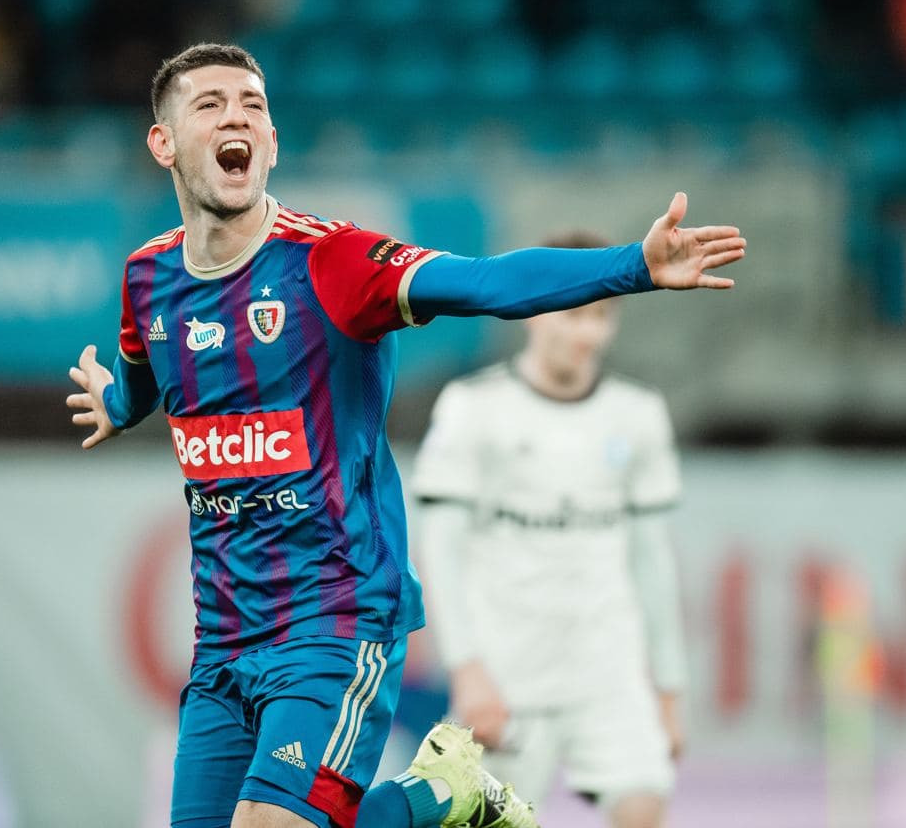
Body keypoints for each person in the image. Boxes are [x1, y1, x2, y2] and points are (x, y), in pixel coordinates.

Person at [65, 42, 745, 828]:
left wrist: (632, 265)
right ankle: (447, 793)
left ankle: (433, 797)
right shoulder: (148, 277)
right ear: (163, 142)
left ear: (272, 142)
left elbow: (485, 281)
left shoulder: (332, 264)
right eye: (210, 105)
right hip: (221, 638)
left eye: (253, 105)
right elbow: (145, 365)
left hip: (335, 617)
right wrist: (119, 403)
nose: (236, 119)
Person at [413, 230, 689, 828]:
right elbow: (441, 550)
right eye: (572, 314)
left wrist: (668, 689)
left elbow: (652, 559)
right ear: (536, 312)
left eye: (601, 316)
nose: (586, 333)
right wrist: (467, 670)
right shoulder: (472, 407)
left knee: (643, 807)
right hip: (507, 674)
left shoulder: (637, 414)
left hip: (607, 671)